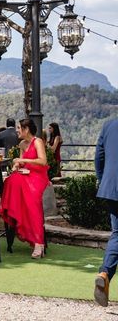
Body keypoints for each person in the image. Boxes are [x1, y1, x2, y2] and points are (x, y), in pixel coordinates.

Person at [0, 118, 49, 259]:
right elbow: (21, 164)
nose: (17, 131)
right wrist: (16, 166)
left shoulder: (37, 141)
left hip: (38, 176)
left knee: (32, 199)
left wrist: (23, 161)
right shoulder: (21, 144)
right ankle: (16, 211)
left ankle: (39, 243)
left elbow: (43, 161)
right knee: (11, 180)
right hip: (25, 175)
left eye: (19, 128)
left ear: (26, 129)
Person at [94, 117, 118, 306]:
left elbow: (99, 157)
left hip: (111, 187)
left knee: (117, 234)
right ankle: (105, 273)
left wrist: (103, 181)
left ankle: (104, 274)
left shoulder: (109, 125)